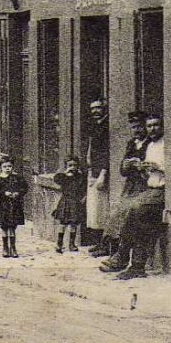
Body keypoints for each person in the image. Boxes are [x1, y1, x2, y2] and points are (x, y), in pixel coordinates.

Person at [112, 113, 168, 280]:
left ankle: (131, 262)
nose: (152, 129)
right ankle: (126, 260)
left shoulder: (168, 144)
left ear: (162, 126)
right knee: (129, 210)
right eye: (150, 126)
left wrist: (157, 167)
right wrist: (143, 169)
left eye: (156, 125)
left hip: (164, 191)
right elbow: (148, 176)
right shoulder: (150, 146)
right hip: (151, 189)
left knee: (135, 212)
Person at [94, 109, 147, 263]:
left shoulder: (150, 144)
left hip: (144, 186)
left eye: (139, 126)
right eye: (133, 127)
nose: (136, 130)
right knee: (118, 215)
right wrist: (126, 165)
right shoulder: (131, 144)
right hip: (130, 185)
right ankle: (112, 250)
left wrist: (139, 166)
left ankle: (121, 256)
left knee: (128, 216)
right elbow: (122, 171)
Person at [82, 98, 110, 248]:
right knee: (94, 210)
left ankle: (105, 245)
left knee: (102, 208)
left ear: (104, 108)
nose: (95, 111)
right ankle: (98, 242)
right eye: (93, 108)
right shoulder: (94, 125)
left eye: (98, 108)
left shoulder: (106, 126)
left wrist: (103, 173)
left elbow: (107, 151)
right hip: (93, 170)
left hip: (102, 173)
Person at [0, 157, 29, 258]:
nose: (7, 168)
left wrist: (18, 193)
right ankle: (5, 248)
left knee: (12, 227)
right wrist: (4, 193)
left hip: (15, 206)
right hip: (4, 206)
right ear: (1, 168)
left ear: (13, 167)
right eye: (5, 167)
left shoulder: (17, 178)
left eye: (10, 166)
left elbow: (25, 188)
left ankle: (13, 248)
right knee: (4, 227)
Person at [50, 155, 88, 253]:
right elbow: (56, 180)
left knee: (73, 224)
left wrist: (84, 198)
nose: (73, 167)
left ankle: (72, 244)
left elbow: (84, 187)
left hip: (75, 202)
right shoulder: (64, 176)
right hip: (65, 202)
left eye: (75, 165)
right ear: (66, 166)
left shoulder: (80, 177)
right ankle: (59, 243)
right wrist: (65, 173)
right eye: (70, 165)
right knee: (63, 223)